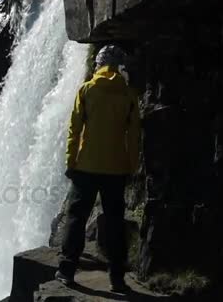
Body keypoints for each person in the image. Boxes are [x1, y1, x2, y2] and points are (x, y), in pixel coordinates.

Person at [55, 45, 140, 294]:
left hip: (86, 167)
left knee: (76, 218)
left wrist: (71, 162)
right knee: (115, 223)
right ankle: (117, 278)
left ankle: (67, 270)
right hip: (116, 169)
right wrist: (132, 166)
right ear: (118, 66)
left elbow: (74, 130)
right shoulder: (129, 94)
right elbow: (134, 137)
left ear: (99, 64)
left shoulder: (87, 89)